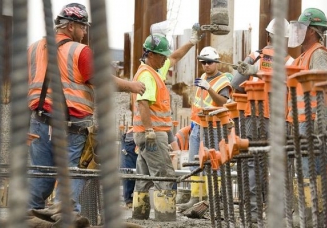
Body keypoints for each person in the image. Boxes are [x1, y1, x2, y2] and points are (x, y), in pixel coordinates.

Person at [27, 3, 145, 211]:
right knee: (70, 185)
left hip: (39, 123)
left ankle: (32, 220)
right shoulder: (80, 51)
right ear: (71, 26)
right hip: (72, 128)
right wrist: (131, 86)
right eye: (83, 28)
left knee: (39, 179)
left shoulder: (34, 48)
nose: (84, 33)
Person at [131, 25, 202, 221]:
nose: (165, 59)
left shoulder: (154, 70)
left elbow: (175, 57)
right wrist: (150, 131)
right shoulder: (147, 75)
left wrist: (192, 41)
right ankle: (166, 218)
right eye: (161, 55)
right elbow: (143, 104)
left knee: (144, 177)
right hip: (151, 133)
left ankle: (139, 215)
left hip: (146, 132)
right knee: (164, 174)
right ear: (151, 54)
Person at [231, 18, 292, 222]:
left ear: (267, 36)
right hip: (278, 119)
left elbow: (234, 84)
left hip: (253, 117)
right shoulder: (290, 62)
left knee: (251, 164)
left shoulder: (255, 57)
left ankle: (253, 215)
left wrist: (252, 73)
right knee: (278, 166)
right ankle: (280, 215)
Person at [286, 8, 327, 225]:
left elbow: (325, 88)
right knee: (302, 170)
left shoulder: (319, 54)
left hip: (311, 123)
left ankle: (316, 218)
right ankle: (307, 215)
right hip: (299, 122)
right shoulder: (303, 55)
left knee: (310, 171)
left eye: (302, 27)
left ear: (313, 31)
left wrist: (320, 123)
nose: (297, 32)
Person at [177, 46, 233, 212]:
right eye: (203, 63)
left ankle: (213, 198)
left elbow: (224, 102)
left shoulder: (223, 81)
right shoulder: (203, 76)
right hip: (197, 125)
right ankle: (196, 198)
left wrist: (208, 88)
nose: (206, 65)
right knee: (195, 162)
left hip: (214, 127)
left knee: (213, 162)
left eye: (209, 62)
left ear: (216, 62)